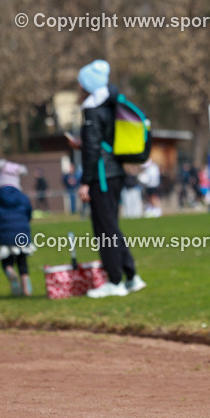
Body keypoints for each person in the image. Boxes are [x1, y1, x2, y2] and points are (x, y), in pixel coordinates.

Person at [76, 59, 146, 298]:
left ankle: (114, 281)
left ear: (87, 86)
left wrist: (85, 181)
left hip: (102, 177)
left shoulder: (92, 110)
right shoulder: (112, 105)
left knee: (105, 231)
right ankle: (132, 276)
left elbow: (93, 148)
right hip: (115, 173)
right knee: (112, 228)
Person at [0, 160, 35, 296]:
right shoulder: (22, 197)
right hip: (22, 231)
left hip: (4, 233)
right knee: (22, 259)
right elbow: (28, 212)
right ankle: (26, 284)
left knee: (6, 259)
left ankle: (9, 270)